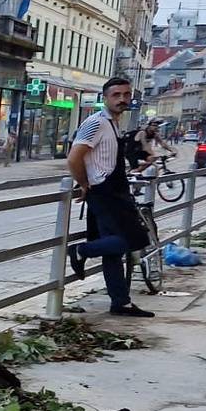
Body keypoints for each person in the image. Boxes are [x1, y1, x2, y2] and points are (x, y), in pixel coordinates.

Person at [65, 74, 153, 319]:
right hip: (104, 193)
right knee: (135, 238)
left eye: (126, 95)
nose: (122, 99)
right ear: (104, 98)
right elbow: (73, 158)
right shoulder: (96, 122)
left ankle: (120, 302)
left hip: (113, 190)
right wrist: (83, 183)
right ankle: (82, 250)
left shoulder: (113, 122)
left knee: (113, 251)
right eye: (116, 95)